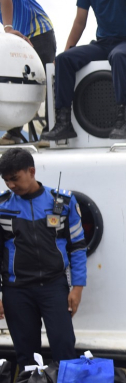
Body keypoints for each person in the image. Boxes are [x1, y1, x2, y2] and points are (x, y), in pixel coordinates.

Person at [41, 0, 126, 142]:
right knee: (64, 59)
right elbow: (80, 22)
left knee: (118, 56)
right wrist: (66, 52)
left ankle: (122, 119)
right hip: (103, 43)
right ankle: (64, 122)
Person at [0, 148, 87, 366]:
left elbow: (77, 246)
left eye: (14, 178)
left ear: (31, 171)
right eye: (5, 180)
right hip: (16, 290)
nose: (10, 185)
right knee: (26, 356)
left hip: (54, 287)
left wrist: (77, 287)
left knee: (64, 347)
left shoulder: (64, 203)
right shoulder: (1, 207)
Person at [0, 0, 56, 146]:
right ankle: (14, 132)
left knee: (44, 81)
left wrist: (8, 28)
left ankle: (51, 132)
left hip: (38, 30)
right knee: (19, 82)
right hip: (17, 39)